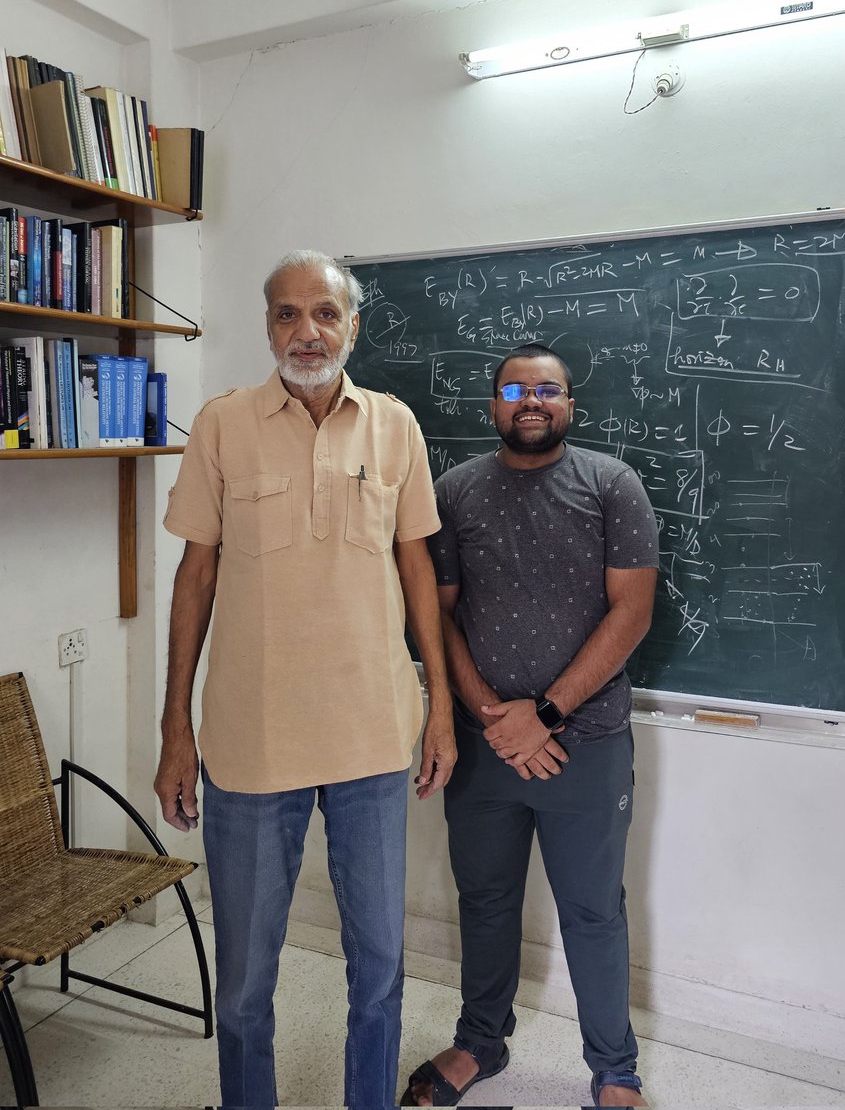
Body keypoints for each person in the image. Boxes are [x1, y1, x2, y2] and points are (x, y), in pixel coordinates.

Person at [154, 249, 456, 1109]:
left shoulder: (396, 426)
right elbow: (195, 577)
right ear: (267, 327)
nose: (306, 331)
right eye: (286, 314)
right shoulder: (222, 425)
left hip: (371, 733)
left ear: (353, 324)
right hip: (251, 741)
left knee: (381, 968)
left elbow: (415, 565)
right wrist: (176, 727)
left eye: (324, 312)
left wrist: (437, 709)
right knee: (247, 981)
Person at [401, 343, 658, 1108]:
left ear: (570, 406)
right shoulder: (453, 492)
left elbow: (632, 611)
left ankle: (614, 1070)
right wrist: (491, 716)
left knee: (592, 910)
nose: (532, 400)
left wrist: (544, 714)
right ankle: (481, 1042)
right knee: (483, 900)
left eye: (549, 389)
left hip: (585, 743)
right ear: (493, 406)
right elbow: (435, 615)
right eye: (515, 389)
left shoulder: (613, 485)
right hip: (484, 751)